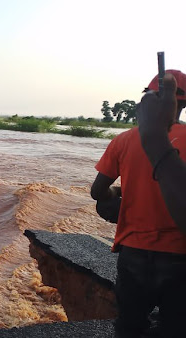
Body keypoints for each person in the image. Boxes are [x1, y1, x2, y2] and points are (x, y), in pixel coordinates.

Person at [91, 70, 186, 338]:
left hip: (133, 254)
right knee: (175, 327)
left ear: (148, 101)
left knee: (129, 326)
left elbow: (98, 192)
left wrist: (118, 190)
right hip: (180, 257)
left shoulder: (123, 140)